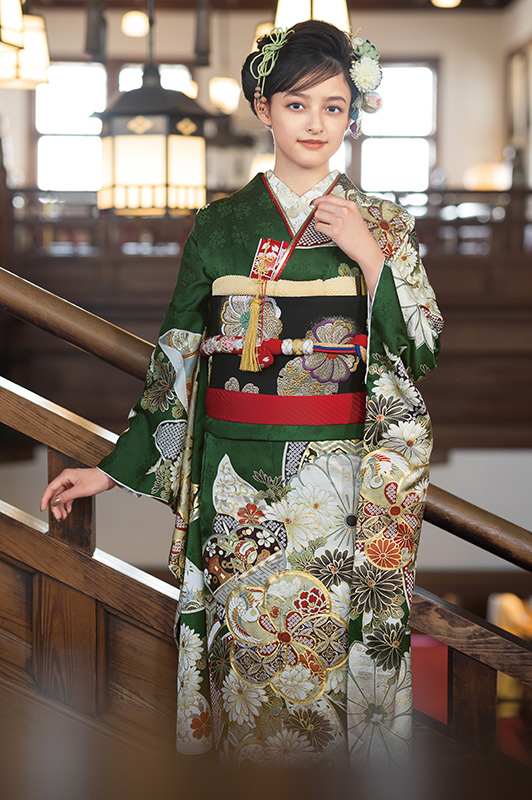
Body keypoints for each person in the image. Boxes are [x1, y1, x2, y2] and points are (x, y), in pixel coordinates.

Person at [41, 20, 442, 769]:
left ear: (353, 115)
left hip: (339, 489)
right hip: (238, 491)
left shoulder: (382, 222)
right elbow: (178, 359)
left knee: (329, 669)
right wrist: (114, 469)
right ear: (265, 108)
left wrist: (368, 254)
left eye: (333, 106)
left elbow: (421, 348)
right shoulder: (220, 227)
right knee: (249, 675)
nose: (315, 123)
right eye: (297, 104)